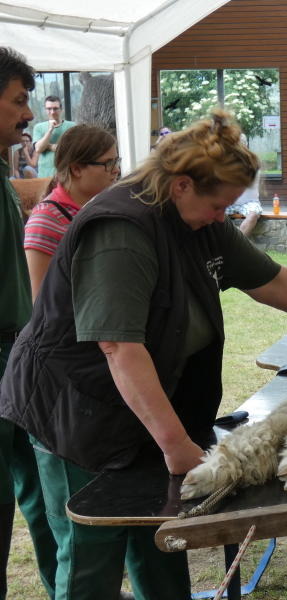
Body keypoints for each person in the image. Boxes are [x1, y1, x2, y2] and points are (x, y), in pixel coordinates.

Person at [0, 108, 287, 600]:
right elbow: (119, 347)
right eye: (218, 204)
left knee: (162, 538)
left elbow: (268, 280)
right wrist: (175, 444)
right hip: (77, 409)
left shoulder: (199, 218)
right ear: (182, 185)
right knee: (92, 551)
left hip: (139, 402)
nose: (224, 216)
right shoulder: (120, 230)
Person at [0, 47, 58, 600]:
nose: (28, 115)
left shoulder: (1, 167)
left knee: (42, 486)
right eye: (19, 102)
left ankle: (67, 587)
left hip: (18, 357)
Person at [24, 124, 119, 299]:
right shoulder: (45, 221)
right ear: (76, 169)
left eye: (116, 161)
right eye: (108, 163)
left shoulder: (100, 208)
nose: (116, 170)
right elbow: (42, 304)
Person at [33, 96, 76, 178]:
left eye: (55, 108)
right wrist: (50, 130)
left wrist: (47, 146)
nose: (52, 112)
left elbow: (74, 148)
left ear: (61, 109)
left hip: (67, 174)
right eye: (49, 109)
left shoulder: (72, 126)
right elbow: (38, 149)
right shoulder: (38, 127)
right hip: (45, 174)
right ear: (45, 110)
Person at [224, 168, 262, 238]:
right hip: (228, 202)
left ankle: (236, 244)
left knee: (253, 215)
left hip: (249, 203)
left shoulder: (253, 167)